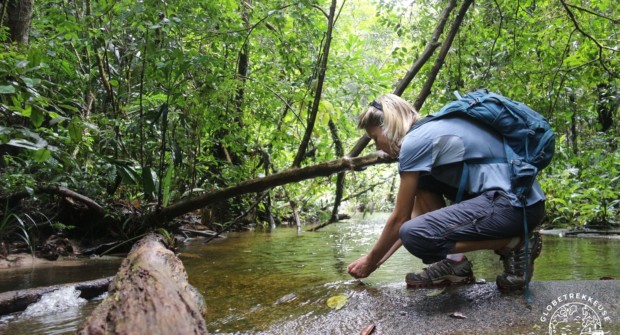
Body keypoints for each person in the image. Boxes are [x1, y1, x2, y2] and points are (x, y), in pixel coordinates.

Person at [346, 93, 546, 292]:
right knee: (422, 194)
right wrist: (376, 262)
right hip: (521, 204)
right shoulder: (431, 131)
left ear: (388, 126)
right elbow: (412, 219)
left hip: (513, 207)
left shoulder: (414, 143)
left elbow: (400, 220)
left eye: (375, 137)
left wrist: (370, 260)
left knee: (414, 234)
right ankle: (455, 263)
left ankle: (517, 244)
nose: (376, 145)